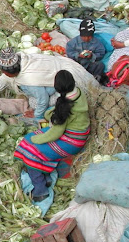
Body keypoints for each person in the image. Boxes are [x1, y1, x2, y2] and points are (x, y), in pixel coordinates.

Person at [14, 71, 90, 201]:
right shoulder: (77, 93)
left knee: (30, 150)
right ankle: (45, 176)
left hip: (72, 141)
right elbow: (57, 114)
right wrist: (51, 114)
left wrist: (36, 140)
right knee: (29, 140)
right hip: (79, 133)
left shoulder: (66, 106)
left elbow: (55, 133)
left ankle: (40, 190)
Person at [0, 47, 98, 121]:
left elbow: (43, 99)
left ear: (10, 72)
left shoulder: (29, 79)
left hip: (70, 81)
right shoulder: (23, 61)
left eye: (4, 72)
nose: (3, 74)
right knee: (34, 98)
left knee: (35, 103)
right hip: (61, 72)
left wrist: (36, 115)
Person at [66, 19, 107, 83]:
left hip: (89, 65)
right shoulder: (73, 42)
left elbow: (101, 52)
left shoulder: (96, 42)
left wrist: (92, 56)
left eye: (89, 36)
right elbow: (69, 52)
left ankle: (95, 79)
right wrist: (77, 55)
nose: (87, 38)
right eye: (84, 36)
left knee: (100, 65)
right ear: (80, 33)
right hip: (77, 65)